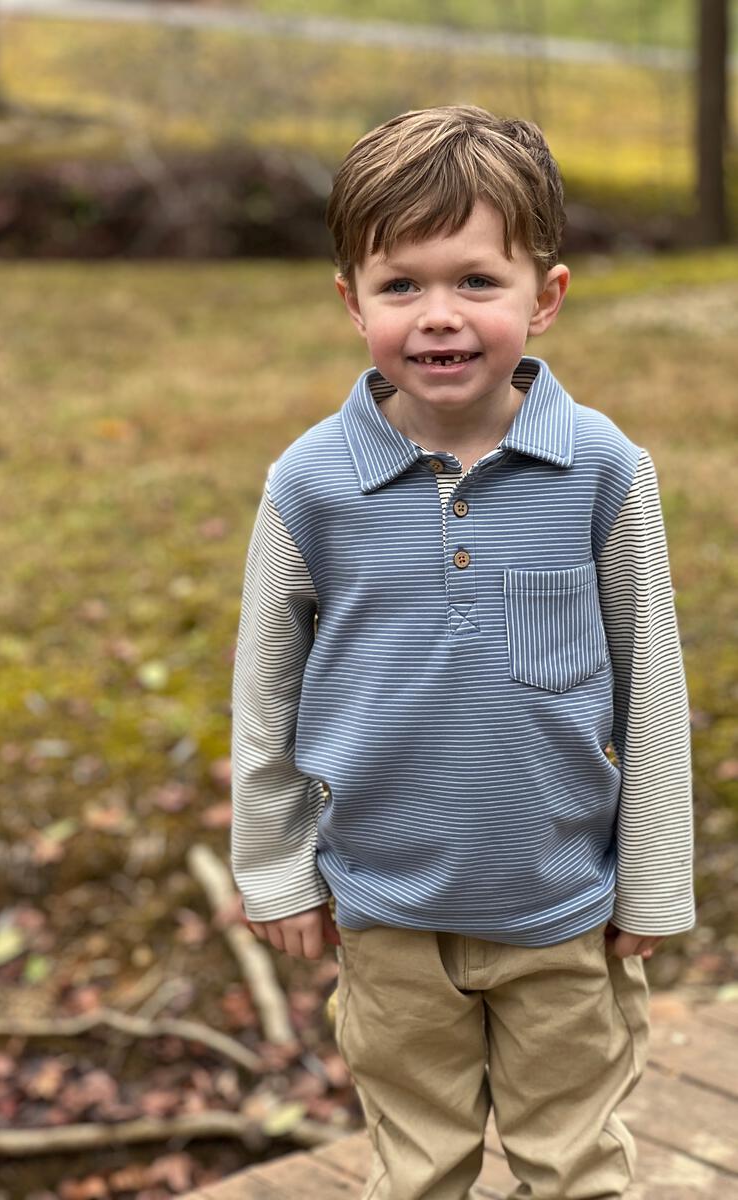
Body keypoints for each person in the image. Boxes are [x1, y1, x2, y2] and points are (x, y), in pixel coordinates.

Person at [229, 105, 694, 1200]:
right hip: (386, 914)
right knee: (418, 1168)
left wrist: (656, 877)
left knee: (576, 1166)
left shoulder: (603, 470)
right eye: (402, 287)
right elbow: (264, 695)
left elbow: (654, 687)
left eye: (477, 282)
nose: (439, 318)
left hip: (563, 914)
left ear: (547, 294)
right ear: (352, 302)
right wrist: (275, 867)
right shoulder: (309, 486)